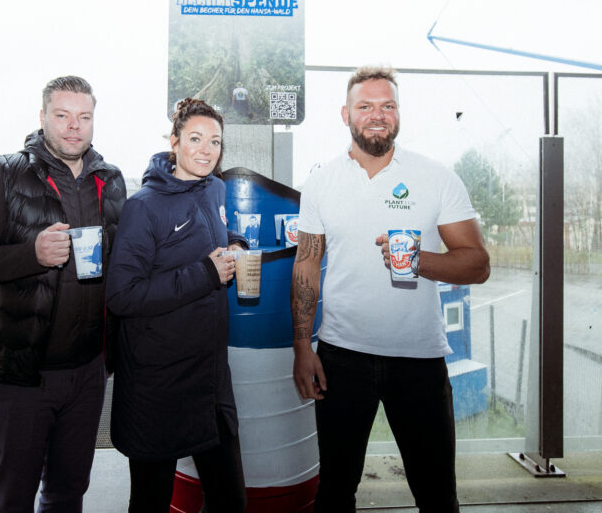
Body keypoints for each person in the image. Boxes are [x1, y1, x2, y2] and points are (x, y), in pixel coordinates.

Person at [290, 66, 490, 513]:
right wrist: (303, 347)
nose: (377, 115)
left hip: (419, 362)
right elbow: (307, 264)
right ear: (346, 114)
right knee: (335, 493)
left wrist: (420, 259)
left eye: (387, 106)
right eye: (365, 106)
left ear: (399, 114)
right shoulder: (321, 181)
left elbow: (478, 264)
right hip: (341, 358)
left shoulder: (436, 177)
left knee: (438, 496)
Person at [0, 75, 126, 513]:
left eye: (84, 117)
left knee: (67, 495)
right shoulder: (5, 175)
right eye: (62, 115)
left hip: (87, 374)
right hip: (21, 376)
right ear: (43, 118)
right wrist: (31, 254)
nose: (73, 126)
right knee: (11, 500)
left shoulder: (111, 181)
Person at [105, 97, 248, 513]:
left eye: (215, 142)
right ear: (175, 143)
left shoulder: (216, 188)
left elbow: (215, 231)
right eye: (196, 139)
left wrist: (234, 243)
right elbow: (122, 294)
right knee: (151, 502)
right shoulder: (143, 206)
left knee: (230, 502)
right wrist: (205, 273)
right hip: (157, 385)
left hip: (209, 378)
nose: (206, 150)